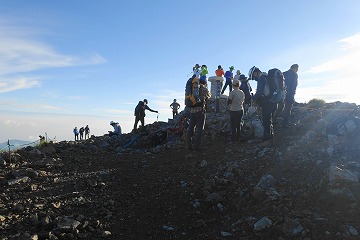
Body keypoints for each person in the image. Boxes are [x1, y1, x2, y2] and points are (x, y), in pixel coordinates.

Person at [249, 66, 277, 141]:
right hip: (273, 101)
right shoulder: (267, 76)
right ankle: (271, 137)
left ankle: (267, 139)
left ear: (256, 72)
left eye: (253, 76)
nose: (254, 78)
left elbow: (259, 92)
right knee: (269, 120)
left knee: (266, 121)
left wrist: (253, 99)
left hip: (267, 102)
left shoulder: (261, 78)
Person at [186, 78, 211, 151]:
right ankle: (196, 146)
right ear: (205, 83)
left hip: (192, 110)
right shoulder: (203, 88)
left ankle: (188, 145)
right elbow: (208, 96)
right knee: (199, 128)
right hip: (200, 110)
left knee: (191, 127)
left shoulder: (192, 87)